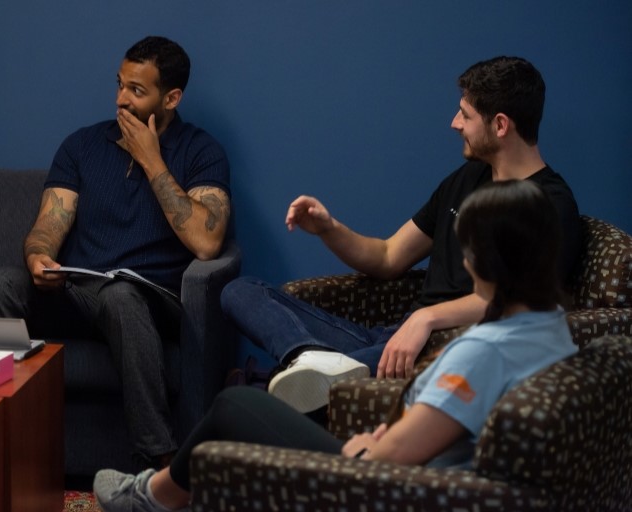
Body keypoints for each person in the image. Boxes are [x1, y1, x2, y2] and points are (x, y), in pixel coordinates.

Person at [95, 178, 578, 512]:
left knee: (234, 405)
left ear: (486, 261)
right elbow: (388, 256)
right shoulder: (552, 326)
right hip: (421, 471)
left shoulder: (485, 353)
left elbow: (393, 462)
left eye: (468, 249)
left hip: (387, 488)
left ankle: (153, 496)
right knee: (243, 297)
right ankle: (304, 358)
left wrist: (370, 449)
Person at [220, 56, 581, 414]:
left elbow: (527, 302)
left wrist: (427, 318)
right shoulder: (467, 179)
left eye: (465, 115)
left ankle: (274, 383)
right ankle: (309, 364)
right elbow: (388, 256)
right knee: (240, 291)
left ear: (500, 125)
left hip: (445, 346)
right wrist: (328, 229)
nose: (454, 123)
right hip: (394, 337)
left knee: (252, 406)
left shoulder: (549, 204)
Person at [0, 36, 231, 467]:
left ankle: (159, 464)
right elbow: (48, 224)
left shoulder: (201, 152)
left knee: (120, 296)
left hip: (149, 302)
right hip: (79, 290)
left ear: (171, 98)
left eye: (136, 90)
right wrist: (39, 258)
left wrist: (152, 161)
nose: (120, 100)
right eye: (119, 84)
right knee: (1, 282)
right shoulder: (83, 145)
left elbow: (207, 243)